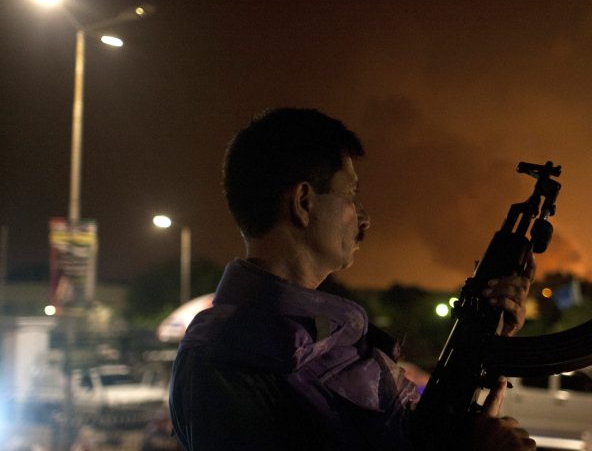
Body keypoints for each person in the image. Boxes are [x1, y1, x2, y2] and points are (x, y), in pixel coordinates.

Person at [169, 107, 536, 450]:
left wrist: (487, 332)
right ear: (303, 202)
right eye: (350, 194)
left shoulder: (324, 331)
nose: (364, 219)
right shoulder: (224, 356)